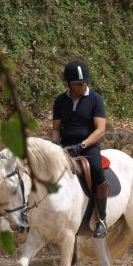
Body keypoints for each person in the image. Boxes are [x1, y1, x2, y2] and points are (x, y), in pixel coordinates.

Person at [51, 60, 108, 238]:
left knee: (97, 170)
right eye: (77, 83)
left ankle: (102, 219)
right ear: (68, 84)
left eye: (84, 82)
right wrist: (56, 145)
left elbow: (100, 130)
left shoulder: (95, 99)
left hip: (88, 145)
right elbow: (55, 129)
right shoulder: (60, 101)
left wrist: (82, 145)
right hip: (66, 146)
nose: (82, 85)